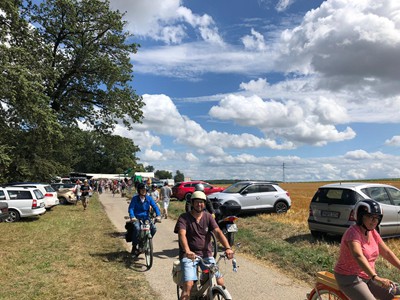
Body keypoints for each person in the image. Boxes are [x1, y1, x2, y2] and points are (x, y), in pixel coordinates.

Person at [334, 199, 400, 300]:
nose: (374, 221)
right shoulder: (353, 233)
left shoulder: (373, 232)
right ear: (360, 216)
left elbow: (386, 253)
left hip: (368, 276)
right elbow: (358, 256)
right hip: (350, 278)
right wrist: (376, 277)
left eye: (377, 218)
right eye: (370, 217)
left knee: (395, 292)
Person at [174, 191, 234, 300]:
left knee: (219, 280)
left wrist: (228, 248)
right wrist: (187, 251)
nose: (199, 204)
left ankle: (207, 297)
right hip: (189, 256)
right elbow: (181, 234)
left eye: (201, 202)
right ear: (192, 203)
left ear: (205, 204)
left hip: (206, 255)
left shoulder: (208, 217)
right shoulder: (184, 217)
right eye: (196, 202)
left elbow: (218, 232)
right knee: (188, 284)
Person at [128, 182, 161, 257]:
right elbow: (131, 208)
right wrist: (132, 216)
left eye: (145, 190)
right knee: (137, 228)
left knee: (154, 229)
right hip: (137, 218)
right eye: (142, 190)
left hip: (146, 218)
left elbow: (155, 206)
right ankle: (134, 246)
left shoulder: (149, 198)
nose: (143, 191)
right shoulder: (135, 199)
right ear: (139, 190)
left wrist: (158, 215)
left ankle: (146, 241)